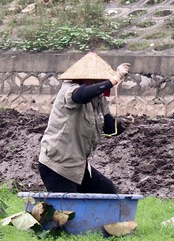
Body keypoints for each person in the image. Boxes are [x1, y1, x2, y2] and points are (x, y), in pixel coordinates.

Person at [38, 52, 134, 193]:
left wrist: (122, 124)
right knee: (68, 211)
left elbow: (109, 128)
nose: (99, 84)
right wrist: (114, 79)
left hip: (78, 166)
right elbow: (81, 95)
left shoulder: (99, 99)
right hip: (57, 165)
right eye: (95, 80)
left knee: (109, 192)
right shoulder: (69, 90)